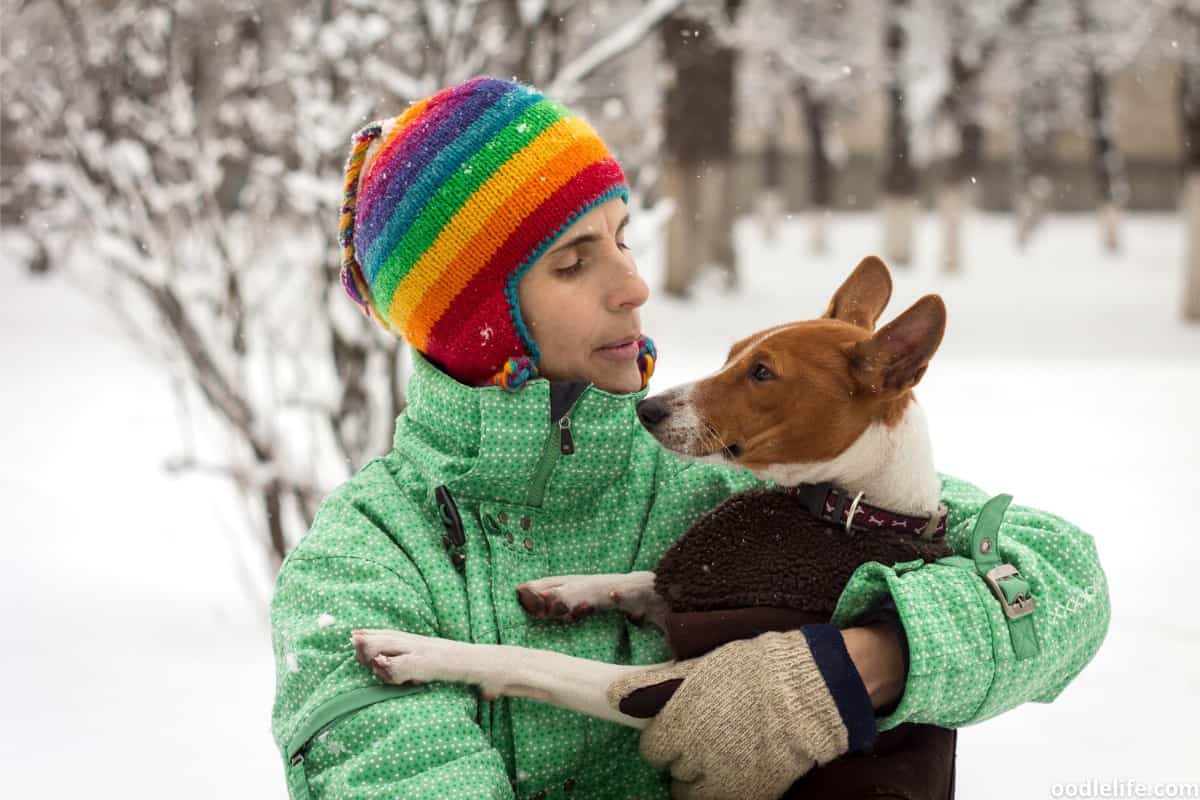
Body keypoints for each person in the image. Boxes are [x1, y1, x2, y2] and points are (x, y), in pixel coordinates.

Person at [270, 77, 1110, 800]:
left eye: (624, 238)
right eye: (573, 262)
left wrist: (861, 662)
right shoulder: (362, 566)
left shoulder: (745, 470)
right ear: (477, 322)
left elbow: (1063, 588)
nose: (634, 285)